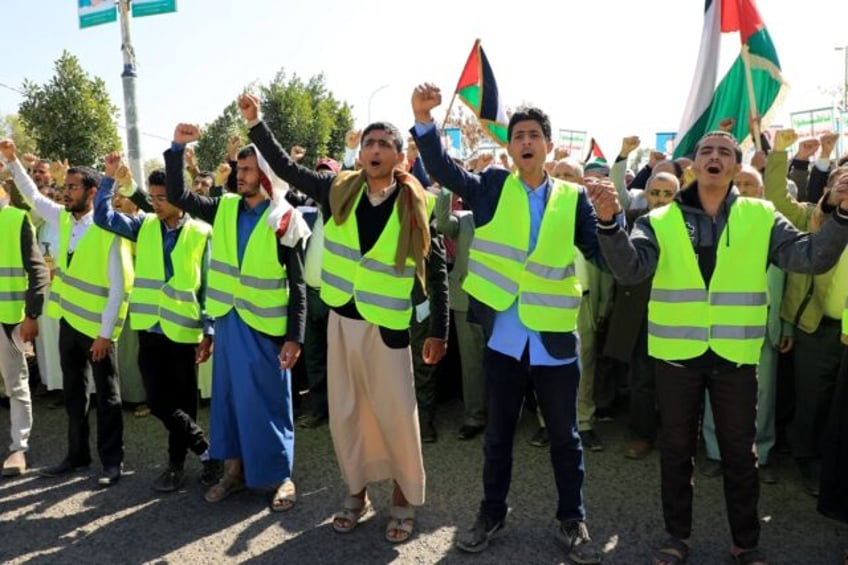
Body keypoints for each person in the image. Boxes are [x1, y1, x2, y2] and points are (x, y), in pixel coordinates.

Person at [591, 130, 848, 565]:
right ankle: (677, 538)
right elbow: (630, 269)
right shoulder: (659, 218)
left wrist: (841, 217)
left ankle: (745, 543)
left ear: (735, 165)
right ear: (693, 165)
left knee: (739, 455)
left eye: (724, 152)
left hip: (734, 356)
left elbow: (809, 258)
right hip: (677, 355)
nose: (714, 157)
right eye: (706, 151)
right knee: (675, 450)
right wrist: (608, 222)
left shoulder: (762, 215)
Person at [240, 93, 448, 544]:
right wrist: (256, 125)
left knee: (396, 416)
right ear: (360, 153)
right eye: (368, 142)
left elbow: (436, 270)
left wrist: (439, 330)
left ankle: (402, 497)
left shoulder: (416, 203)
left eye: (383, 144)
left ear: (398, 156)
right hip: (342, 321)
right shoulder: (338, 189)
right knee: (348, 415)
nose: (374, 149)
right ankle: (357, 494)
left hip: (390, 329)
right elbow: (288, 169)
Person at [412, 83, 606, 563]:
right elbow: (442, 170)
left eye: (534, 134)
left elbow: (603, 254)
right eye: (518, 134)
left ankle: (572, 519)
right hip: (504, 336)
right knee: (499, 435)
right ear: (509, 145)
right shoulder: (493, 185)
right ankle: (490, 513)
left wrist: (614, 223)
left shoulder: (574, 198)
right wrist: (423, 120)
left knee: (565, 436)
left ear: (548, 144)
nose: (525, 141)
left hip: (555, 338)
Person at [164, 122, 307, 511]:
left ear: (264, 175)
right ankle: (234, 472)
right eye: (239, 169)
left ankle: (280, 477)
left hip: (266, 329)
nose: (239, 176)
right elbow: (177, 193)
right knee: (228, 402)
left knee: (269, 404)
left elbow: (298, 285)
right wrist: (177, 148)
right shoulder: (224, 208)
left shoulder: (285, 218)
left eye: (246, 170)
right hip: (228, 325)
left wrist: (295, 337)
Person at [2, 139, 134, 488]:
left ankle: (111, 462)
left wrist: (106, 334)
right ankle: (77, 455)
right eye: (64, 187)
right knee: (74, 396)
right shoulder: (62, 218)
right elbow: (33, 196)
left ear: (92, 192)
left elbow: (119, 287)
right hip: (69, 324)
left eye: (73, 187)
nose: (65, 192)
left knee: (108, 398)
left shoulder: (108, 229)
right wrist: (13, 162)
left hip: (99, 331)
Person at [93, 153, 219, 492]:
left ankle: (178, 465)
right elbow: (103, 217)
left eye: (164, 197)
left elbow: (208, 285)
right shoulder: (143, 224)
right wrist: (108, 179)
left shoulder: (202, 232)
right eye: (153, 197)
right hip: (149, 327)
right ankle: (206, 450)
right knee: (158, 399)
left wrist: (209, 330)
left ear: (180, 195)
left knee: (184, 401)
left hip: (183, 328)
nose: (157, 203)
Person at [701, 165, 789, 485]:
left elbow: (789, 283)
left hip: (763, 328)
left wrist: (786, 328)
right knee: (716, 392)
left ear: (762, 191)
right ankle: (714, 452)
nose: (744, 188)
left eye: (750, 184)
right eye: (738, 183)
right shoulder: (713, 225)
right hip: (721, 326)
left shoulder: (773, 225)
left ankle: (760, 453)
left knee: (761, 395)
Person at [0, 181, 50, 476]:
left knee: (15, 385)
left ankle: (19, 448)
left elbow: (38, 271)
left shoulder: (16, 219)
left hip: (9, 318)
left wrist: (32, 315)